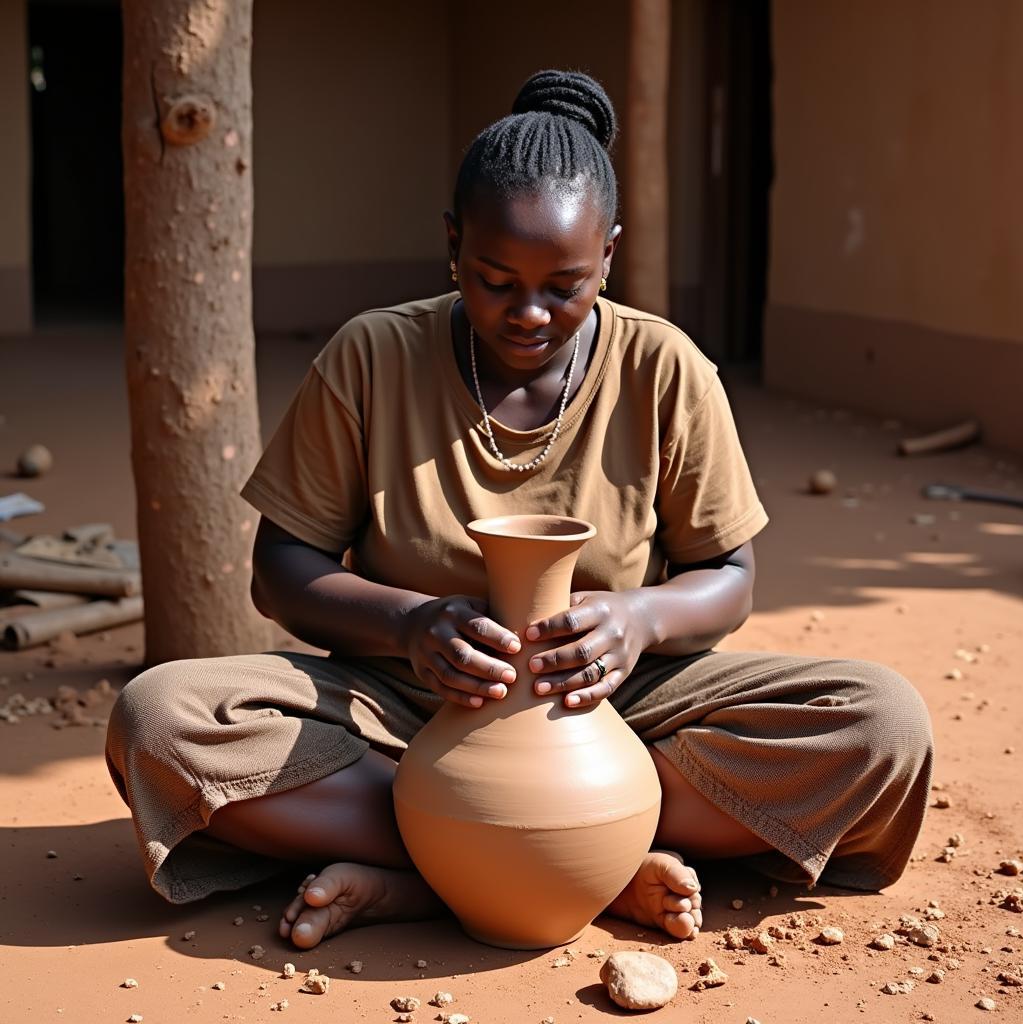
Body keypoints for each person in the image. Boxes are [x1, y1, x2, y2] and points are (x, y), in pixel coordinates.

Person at [106, 70, 933, 951]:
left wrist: (638, 619)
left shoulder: (665, 367)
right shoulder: (374, 356)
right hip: (400, 705)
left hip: (616, 707)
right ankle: (569, 861)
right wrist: (412, 623)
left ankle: (506, 854)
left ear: (609, 256)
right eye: (496, 281)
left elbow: (729, 578)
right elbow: (282, 567)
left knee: (882, 723)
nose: (530, 313)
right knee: (157, 721)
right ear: (453, 244)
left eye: (566, 285)